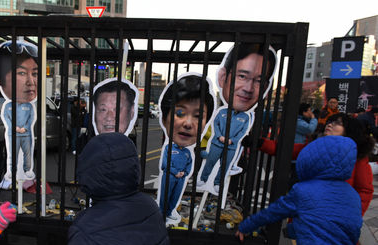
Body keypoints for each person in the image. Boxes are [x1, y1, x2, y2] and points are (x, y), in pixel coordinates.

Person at [250, 113, 375, 215]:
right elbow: (285, 150)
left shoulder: (357, 157)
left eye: (337, 123)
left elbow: (365, 190)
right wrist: (260, 143)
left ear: (349, 131)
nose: (330, 124)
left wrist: (352, 215)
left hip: (336, 217)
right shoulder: (314, 148)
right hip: (308, 213)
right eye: (330, 121)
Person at [197, 43, 275, 193]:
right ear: (222, 77)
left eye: (259, 81)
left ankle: (218, 184)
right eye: (242, 76)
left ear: (265, 88)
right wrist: (220, 137)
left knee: (225, 166)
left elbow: (243, 132)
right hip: (216, 144)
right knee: (211, 163)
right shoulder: (220, 112)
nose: (248, 88)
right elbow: (216, 126)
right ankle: (204, 179)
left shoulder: (246, 117)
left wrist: (233, 140)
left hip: (232, 146)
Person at [158, 74, 214, 218]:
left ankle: (169, 212)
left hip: (181, 177)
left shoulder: (189, 153)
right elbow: (165, 163)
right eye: (180, 113)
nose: (188, 123)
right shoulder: (169, 149)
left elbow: (189, 164)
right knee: (165, 194)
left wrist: (184, 173)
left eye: (198, 116)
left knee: (176, 196)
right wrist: (175, 171)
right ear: (164, 119)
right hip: (170, 175)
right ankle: (161, 213)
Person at [0, 41, 38, 180]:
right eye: (22, 73)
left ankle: (27, 170)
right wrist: (16, 128)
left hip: (26, 133)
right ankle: (11, 171)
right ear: (0, 79)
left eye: (35, 73)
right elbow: (6, 118)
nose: (31, 82)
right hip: (13, 134)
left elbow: (31, 119)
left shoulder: (30, 106)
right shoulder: (7, 105)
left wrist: (24, 128)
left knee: (27, 153)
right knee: (12, 153)